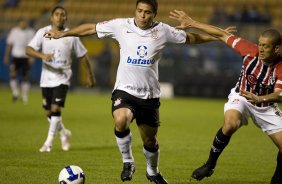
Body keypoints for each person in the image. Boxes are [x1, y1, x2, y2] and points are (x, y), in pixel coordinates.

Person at [43, 0, 228, 183]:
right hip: (125, 90)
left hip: (149, 95)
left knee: (150, 141)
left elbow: (190, 39)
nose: (142, 15)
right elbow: (90, 28)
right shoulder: (120, 25)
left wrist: (218, 37)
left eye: (147, 12)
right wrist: (63, 34)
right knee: (121, 120)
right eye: (139, 10)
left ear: (154, 14)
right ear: (135, 10)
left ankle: (152, 171)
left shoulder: (162, 30)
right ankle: (128, 162)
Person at [169, 10, 282, 184]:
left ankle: (277, 179)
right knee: (230, 125)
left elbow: (279, 94)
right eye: (259, 44)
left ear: (277, 49)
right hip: (242, 96)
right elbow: (222, 34)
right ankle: (209, 165)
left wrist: (261, 99)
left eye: (265, 46)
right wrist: (192, 22)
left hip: (266, 105)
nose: (260, 49)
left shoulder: (280, 66)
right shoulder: (248, 50)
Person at [26, 6, 95, 153]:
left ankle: (48, 143)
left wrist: (90, 75)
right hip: (46, 79)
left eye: (62, 15)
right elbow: (28, 49)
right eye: (56, 14)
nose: (59, 17)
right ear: (51, 17)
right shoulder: (42, 32)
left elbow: (83, 56)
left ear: (66, 18)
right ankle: (64, 133)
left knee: (55, 109)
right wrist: (42, 56)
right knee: (49, 113)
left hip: (63, 78)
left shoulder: (71, 36)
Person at [4, 18, 35, 104]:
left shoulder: (30, 32)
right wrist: (6, 56)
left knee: (26, 76)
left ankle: (24, 96)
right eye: (21, 23)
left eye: (24, 23)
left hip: (26, 57)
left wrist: (32, 57)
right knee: (12, 72)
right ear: (18, 24)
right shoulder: (14, 31)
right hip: (16, 56)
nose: (23, 25)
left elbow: (33, 46)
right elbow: (9, 45)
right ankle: (15, 92)